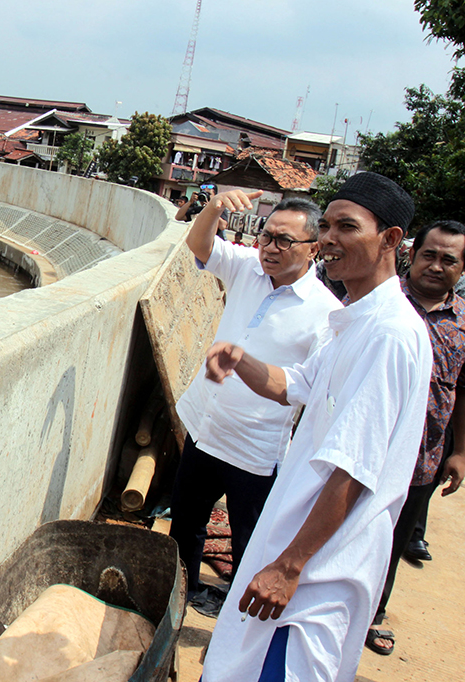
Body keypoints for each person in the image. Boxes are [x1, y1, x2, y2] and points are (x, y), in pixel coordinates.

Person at [199, 171, 431, 682]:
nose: (329, 239)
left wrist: (289, 567)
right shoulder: (352, 319)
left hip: (318, 570)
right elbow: (297, 385)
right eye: (326, 226)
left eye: (347, 227)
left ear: (390, 239)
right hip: (296, 542)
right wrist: (239, 358)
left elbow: (354, 466)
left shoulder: (390, 334)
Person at [170, 190, 340, 615]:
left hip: (255, 448)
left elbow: (308, 387)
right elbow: (198, 244)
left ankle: (237, 616)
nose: (270, 248)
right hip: (205, 425)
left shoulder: (326, 313)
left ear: (313, 249)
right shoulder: (247, 267)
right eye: (266, 236)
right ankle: (180, 595)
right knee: (186, 522)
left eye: (285, 241)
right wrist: (215, 207)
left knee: (251, 539)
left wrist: (244, 364)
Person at [365, 220, 465, 656]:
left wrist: (460, 451)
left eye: (449, 260)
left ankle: (373, 614)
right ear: (411, 253)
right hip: (364, 449)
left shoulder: (463, 323)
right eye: (429, 255)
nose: (436, 266)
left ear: (462, 268)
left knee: (392, 540)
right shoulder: (378, 300)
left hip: (421, 458)